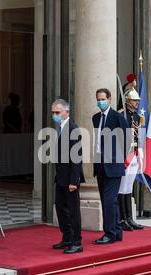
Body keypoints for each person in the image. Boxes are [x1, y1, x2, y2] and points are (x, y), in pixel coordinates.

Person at [93, 88, 130, 245]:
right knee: (107, 200)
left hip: (114, 166)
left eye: (103, 99)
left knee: (109, 200)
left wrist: (119, 158)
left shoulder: (117, 117)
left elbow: (127, 138)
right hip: (100, 165)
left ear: (109, 100)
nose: (100, 102)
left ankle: (109, 233)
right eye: (98, 99)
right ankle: (116, 231)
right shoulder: (95, 118)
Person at [51, 99, 85, 254]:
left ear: (66, 112)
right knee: (60, 207)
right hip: (61, 177)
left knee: (73, 210)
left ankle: (77, 242)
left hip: (70, 179)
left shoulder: (73, 129)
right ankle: (67, 237)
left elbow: (77, 158)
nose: (55, 115)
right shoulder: (60, 128)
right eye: (53, 113)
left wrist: (74, 181)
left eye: (57, 112)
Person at [118, 89, 144, 231]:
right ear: (128, 101)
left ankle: (129, 218)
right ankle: (122, 219)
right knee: (122, 188)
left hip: (133, 153)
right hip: (125, 155)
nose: (137, 102)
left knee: (129, 187)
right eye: (135, 100)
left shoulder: (137, 115)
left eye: (138, 101)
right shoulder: (122, 114)